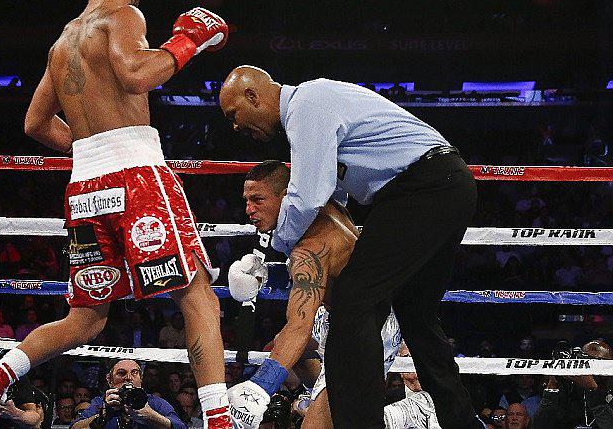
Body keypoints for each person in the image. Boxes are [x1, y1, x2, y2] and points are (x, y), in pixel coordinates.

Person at [0, 0, 231, 428]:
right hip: (136, 177)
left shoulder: (62, 44)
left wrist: (91, 148)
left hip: (85, 188)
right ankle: (219, 420)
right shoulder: (123, 16)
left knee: (85, 319)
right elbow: (137, 74)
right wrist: (188, 42)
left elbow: (35, 123)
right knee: (197, 293)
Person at [219, 65, 480, 428]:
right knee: (417, 316)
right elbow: (331, 194)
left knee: (355, 301)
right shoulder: (314, 108)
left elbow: (307, 197)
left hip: (422, 189)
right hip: (445, 185)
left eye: (234, 114)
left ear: (253, 96)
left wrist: (273, 246)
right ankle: (461, 422)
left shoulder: (306, 106)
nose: (235, 126)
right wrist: (272, 259)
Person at [227, 161, 437, 429]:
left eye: (258, 200)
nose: (249, 209)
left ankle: (409, 414)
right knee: (284, 348)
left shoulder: (311, 248)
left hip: (365, 328)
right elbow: (323, 274)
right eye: (246, 201)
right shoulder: (322, 209)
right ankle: (325, 399)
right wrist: (269, 274)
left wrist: (259, 387)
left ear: (286, 196)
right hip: (338, 316)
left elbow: (299, 325)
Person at [71, 359, 186, 429]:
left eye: (134, 373)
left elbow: (181, 427)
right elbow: (75, 427)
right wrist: (102, 416)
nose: (129, 378)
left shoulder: (155, 403)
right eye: (121, 373)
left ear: (141, 379)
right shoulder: (100, 403)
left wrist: (151, 416)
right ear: (109, 380)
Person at [530, 339, 613, 429]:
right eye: (586, 362)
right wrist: (553, 385)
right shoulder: (570, 389)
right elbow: (538, 426)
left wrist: (593, 390)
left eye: (597, 364)